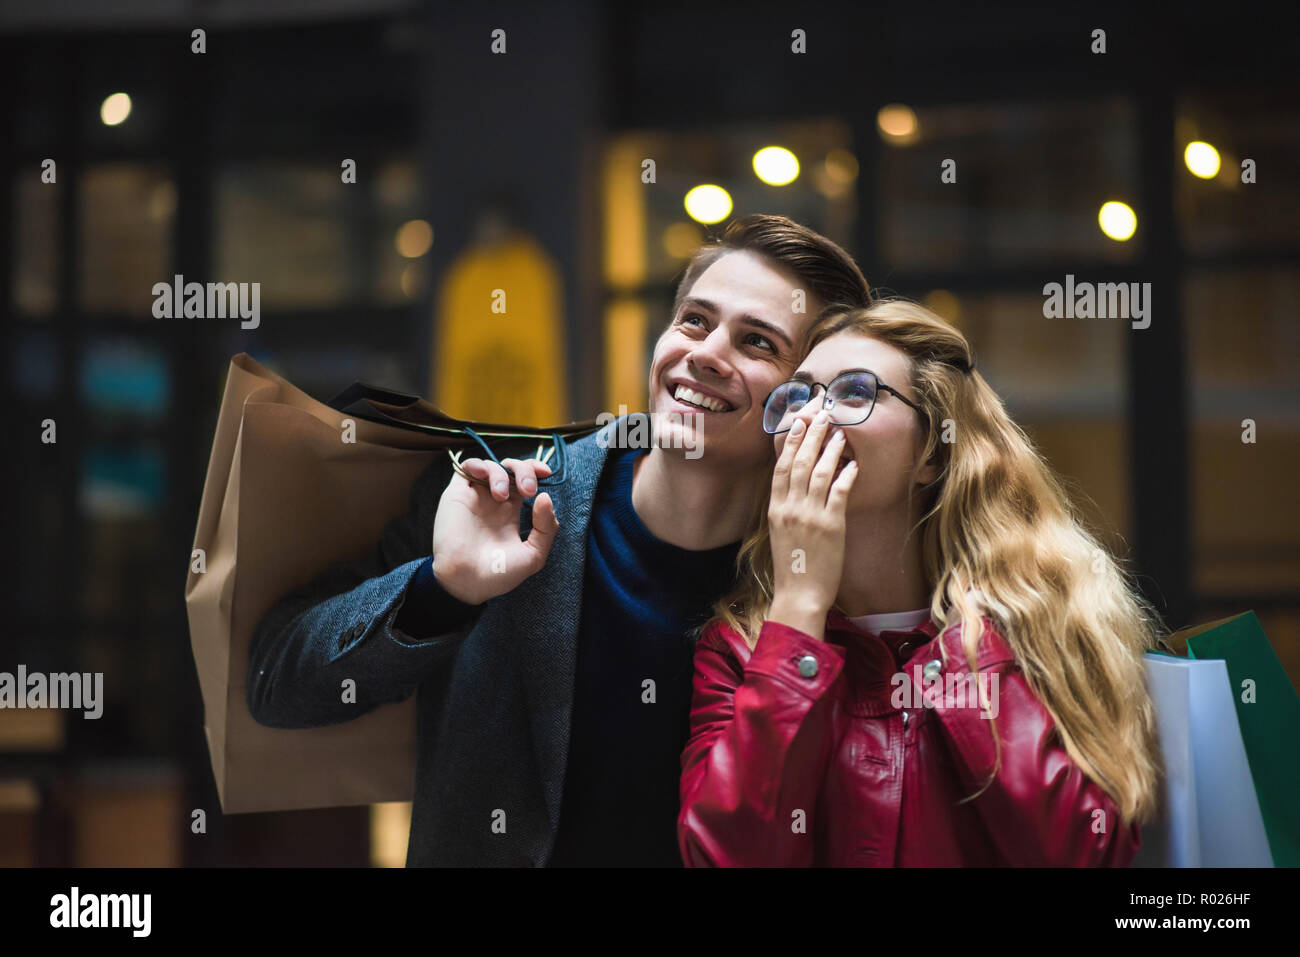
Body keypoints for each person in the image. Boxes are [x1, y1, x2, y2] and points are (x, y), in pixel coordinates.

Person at [246, 213, 872, 866]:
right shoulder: (500, 492)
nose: (707, 352)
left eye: (758, 343)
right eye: (694, 319)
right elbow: (276, 684)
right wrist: (443, 587)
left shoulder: (822, 576)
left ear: (808, 404)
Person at [678, 298, 1163, 866]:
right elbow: (725, 856)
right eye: (799, 395)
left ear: (932, 449)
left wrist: (971, 649)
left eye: (855, 392)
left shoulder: (1038, 626)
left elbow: (1083, 853)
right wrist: (800, 603)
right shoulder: (737, 648)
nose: (811, 418)